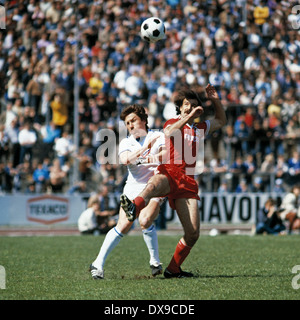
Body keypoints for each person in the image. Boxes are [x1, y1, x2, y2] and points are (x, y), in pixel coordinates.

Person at [120, 84, 227, 278]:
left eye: (193, 104)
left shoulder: (199, 129)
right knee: (153, 184)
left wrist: (215, 100)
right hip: (169, 173)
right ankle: (133, 207)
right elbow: (169, 133)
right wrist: (189, 115)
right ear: (180, 107)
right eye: (186, 104)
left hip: (187, 182)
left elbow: (221, 120)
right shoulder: (172, 121)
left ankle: (173, 269)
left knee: (193, 233)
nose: (189, 107)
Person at [89, 104, 166, 279]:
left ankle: (154, 261)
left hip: (154, 185)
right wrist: (146, 150)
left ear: (144, 120)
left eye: (133, 120)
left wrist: (150, 155)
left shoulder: (158, 135)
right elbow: (125, 160)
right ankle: (98, 263)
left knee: (145, 220)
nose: (130, 125)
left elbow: (165, 154)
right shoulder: (126, 142)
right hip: (133, 186)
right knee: (123, 225)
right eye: (127, 123)